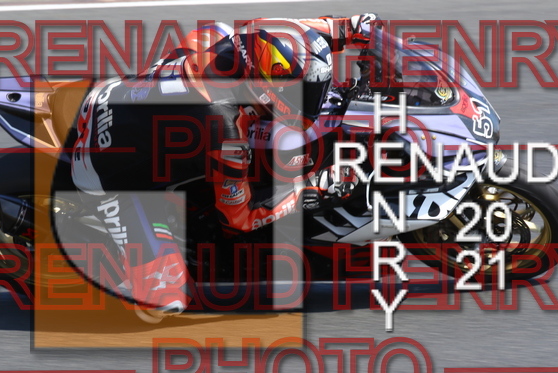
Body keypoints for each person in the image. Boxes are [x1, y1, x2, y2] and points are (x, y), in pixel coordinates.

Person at [69, 14, 380, 318]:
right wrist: (305, 190)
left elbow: (313, 34)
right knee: (168, 298)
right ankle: (109, 254)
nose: (311, 100)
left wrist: (357, 28)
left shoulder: (250, 41)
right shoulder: (222, 128)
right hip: (108, 175)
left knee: (215, 30)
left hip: (110, 97)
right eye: (300, 91)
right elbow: (239, 218)